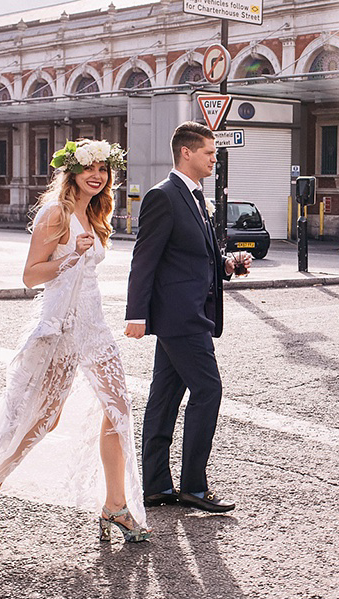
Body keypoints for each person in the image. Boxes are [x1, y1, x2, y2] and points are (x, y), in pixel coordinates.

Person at [0, 139, 151, 543]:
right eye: (90, 168)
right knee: (40, 420)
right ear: (72, 172)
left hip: (94, 326)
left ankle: (116, 505)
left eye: (104, 170)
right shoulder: (57, 213)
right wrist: (70, 257)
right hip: (59, 328)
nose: (98, 175)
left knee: (118, 406)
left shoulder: (95, 213)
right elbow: (31, 275)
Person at [125, 121, 250, 514]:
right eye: (210, 153)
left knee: (164, 398)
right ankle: (194, 486)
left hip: (191, 311)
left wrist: (228, 265)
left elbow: (195, 255)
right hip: (181, 316)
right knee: (208, 391)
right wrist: (136, 314)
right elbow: (144, 259)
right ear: (187, 153)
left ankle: (156, 486)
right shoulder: (163, 196)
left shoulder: (196, 197)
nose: (215, 159)